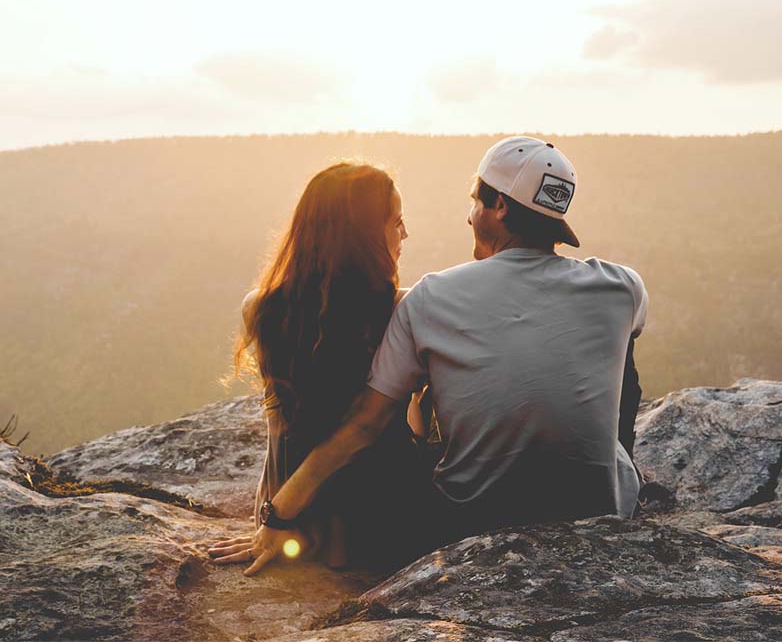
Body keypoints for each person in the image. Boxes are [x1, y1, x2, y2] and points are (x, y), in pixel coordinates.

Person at [214, 136, 648, 574]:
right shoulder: (623, 287)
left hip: (467, 522)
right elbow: (620, 374)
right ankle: (612, 476)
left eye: (475, 201)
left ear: (498, 205)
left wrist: (279, 512)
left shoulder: (430, 299)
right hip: (600, 515)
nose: (467, 215)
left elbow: (364, 425)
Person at [208, 161, 429, 574]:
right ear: (363, 237)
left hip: (299, 520)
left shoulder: (259, 307)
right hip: (383, 518)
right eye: (396, 222)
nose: (405, 233)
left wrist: (272, 517)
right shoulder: (403, 309)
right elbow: (369, 429)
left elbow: (280, 430)